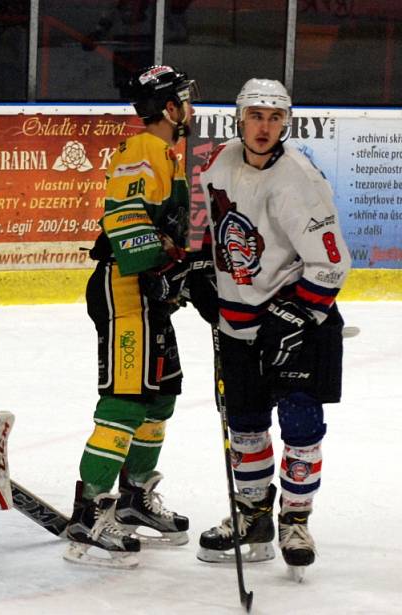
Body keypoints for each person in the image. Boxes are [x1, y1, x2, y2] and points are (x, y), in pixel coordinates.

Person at [195, 78, 351, 578]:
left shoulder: (298, 180)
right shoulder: (220, 162)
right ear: (239, 118)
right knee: (245, 425)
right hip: (238, 322)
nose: (264, 127)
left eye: (274, 118)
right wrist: (202, 268)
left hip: (297, 325)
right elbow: (219, 231)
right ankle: (255, 516)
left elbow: (332, 264)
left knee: (302, 426)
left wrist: (296, 314)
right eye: (256, 116)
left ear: (286, 123)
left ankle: (296, 520)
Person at [64, 65, 198, 569]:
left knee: (160, 396)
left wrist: (176, 271)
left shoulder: (166, 153)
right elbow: (123, 216)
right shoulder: (143, 148)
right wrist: (153, 269)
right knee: (125, 399)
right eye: (183, 99)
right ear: (167, 107)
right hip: (126, 290)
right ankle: (88, 513)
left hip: (147, 293)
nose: (189, 107)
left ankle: (135, 498)